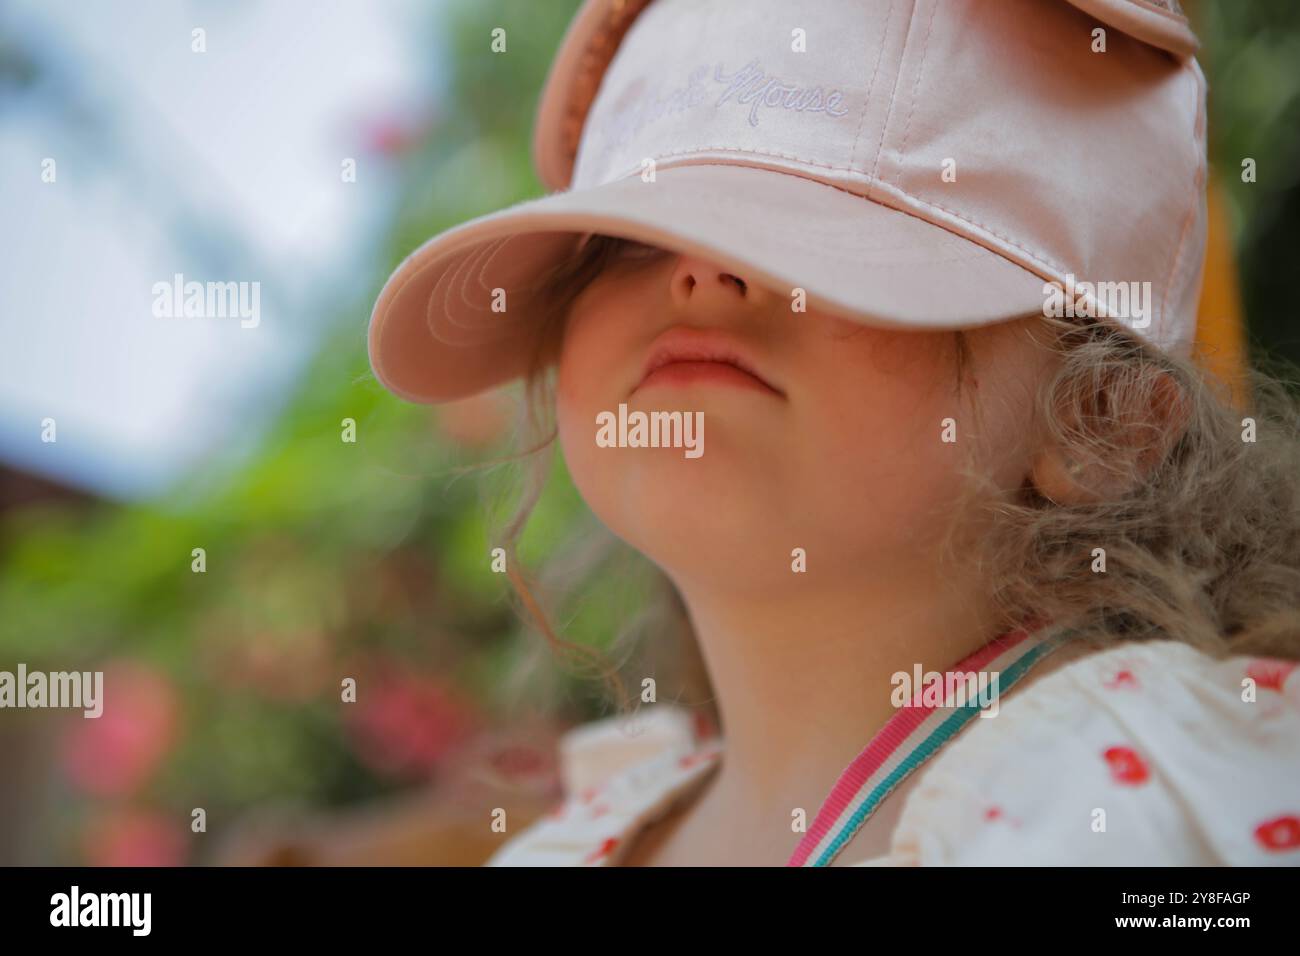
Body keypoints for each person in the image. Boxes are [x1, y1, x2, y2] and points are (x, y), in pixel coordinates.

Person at [366, 0, 1300, 865]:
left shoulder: (1166, 803)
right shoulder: (563, 848)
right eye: (629, 239)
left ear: (1104, 423)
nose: (700, 272)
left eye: (823, 233)